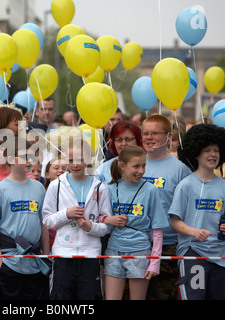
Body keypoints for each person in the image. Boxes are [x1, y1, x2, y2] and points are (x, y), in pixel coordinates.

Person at [169, 123, 225, 300]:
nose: (213, 154)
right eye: (207, 150)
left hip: (220, 257)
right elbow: (174, 221)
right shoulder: (185, 185)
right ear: (196, 152)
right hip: (193, 252)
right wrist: (193, 232)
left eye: (216, 150)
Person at [42, 137, 111, 300]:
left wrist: (90, 227)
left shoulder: (100, 188)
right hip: (63, 254)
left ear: (89, 159)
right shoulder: (56, 186)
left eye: (80, 159)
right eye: (71, 160)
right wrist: (66, 214)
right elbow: (47, 220)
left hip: (90, 254)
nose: (75, 164)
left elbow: (107, 226)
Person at [0, 136, 50, 300]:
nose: (30, 160)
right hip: (9, 262)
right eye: (24, 156)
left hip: (35, 264)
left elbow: (43, 224)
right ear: (9, 159)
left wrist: (46, 255)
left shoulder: (39, 188)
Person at [103, 145, 168, 300]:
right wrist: (108, 219)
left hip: (140, 251)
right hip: (114, 250)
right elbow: (98, 217)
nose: (141, 170)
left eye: (144, 165)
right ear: (123, 166)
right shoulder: (110, 188)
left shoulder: (151, 190)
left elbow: (157, 230)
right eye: (136, 166)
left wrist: (154, 262)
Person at [141, 114, 191, 300]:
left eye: (155, 133)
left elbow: (186, 211)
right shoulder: (135, 165)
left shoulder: (180, 170)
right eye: (145, 133)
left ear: (168, 136)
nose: (149, 137)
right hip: (137, 244)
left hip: (169, 246)